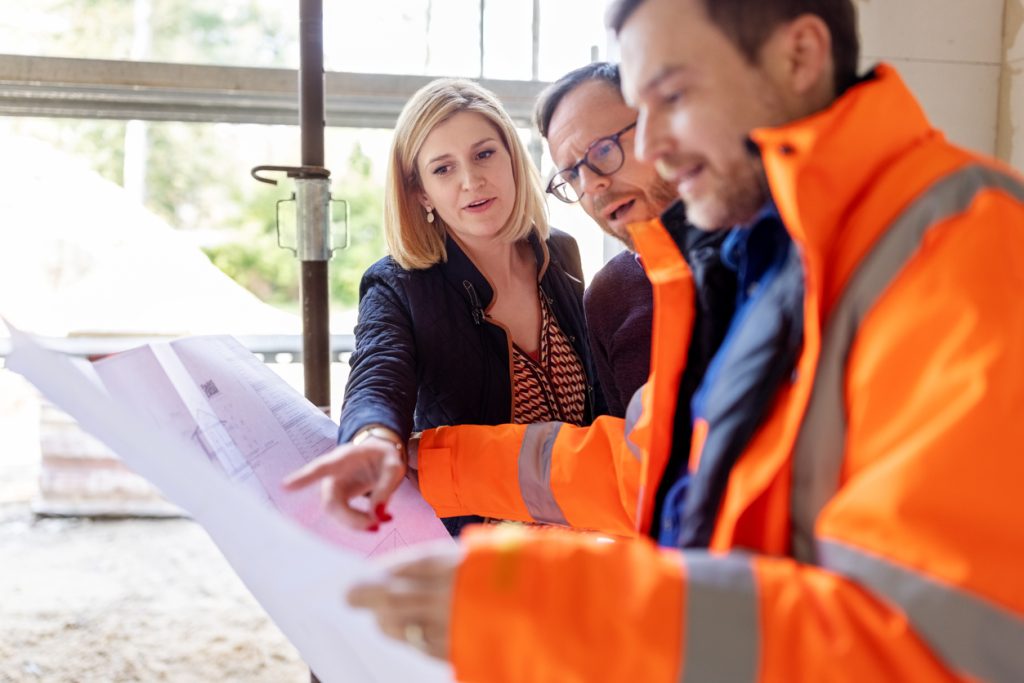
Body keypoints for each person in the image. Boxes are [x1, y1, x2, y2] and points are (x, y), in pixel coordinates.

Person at [291, 0, 1024, 680]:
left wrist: (546, 601)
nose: (653, 151)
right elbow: (653, 464)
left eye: (670, 100)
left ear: (798, 56)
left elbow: (932, 642)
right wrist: (426, 459)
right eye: (636, 119)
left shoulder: (970, 246)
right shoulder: (758, 257)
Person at [327, 77, 602, 536]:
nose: (471, 181)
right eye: (443, 169)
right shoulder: (398, 283)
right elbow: (377, 373)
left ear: (513, 158)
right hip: (481, 554)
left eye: (484, 154)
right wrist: (373, 438)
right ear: (420, 193)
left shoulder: (561, 254)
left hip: (592, 531)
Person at [538, 61, 734, 417]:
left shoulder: (764, 247)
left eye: (602, 150)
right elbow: (626, 456)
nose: (591, 184)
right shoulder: (606, 296)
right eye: (571, 175)